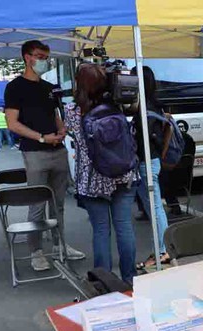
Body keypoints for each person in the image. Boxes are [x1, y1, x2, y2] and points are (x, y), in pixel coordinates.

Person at [4, 40, 85, 271]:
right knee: (37, 203)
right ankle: (36, 251)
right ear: (27, 57)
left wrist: (61, 130)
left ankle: (60, 244)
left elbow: (56, 114)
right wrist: (41, 137)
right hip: (35, 153)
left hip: (57, 150)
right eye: (40, 56)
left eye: (46, 57)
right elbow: (12, 123)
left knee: (58, 204)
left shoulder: (49, 87)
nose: (44, 61)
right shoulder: (15, 87)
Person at [63, 64, 138, 284]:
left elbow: (71, 134)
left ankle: (103, 281)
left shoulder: (72, 110)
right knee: (124, 226)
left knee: (101, 230)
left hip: (92, 177)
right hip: (123, 173)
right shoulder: (118, 105)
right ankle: (130, 277)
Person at [129, 66, 170, 268]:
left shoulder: (144, 109)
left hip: (147, 161)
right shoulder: (156, 105)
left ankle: (162, 250)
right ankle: (163, 249)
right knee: (154, 206)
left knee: (154, 207)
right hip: (153, 160)